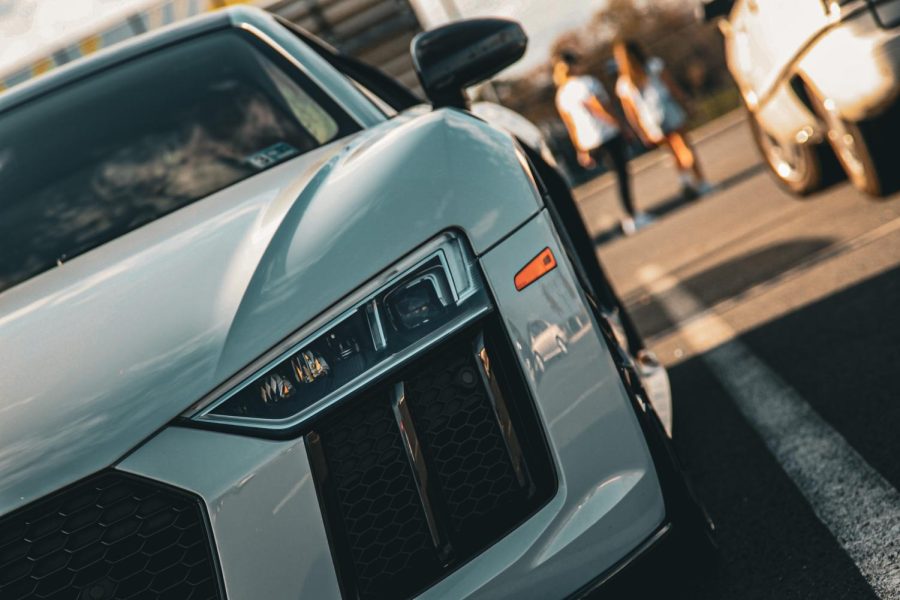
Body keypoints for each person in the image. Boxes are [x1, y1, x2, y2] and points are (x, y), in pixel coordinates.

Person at [554, 50, 653, 236]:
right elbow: (602, 107)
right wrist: (622, 126)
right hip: (606, 135)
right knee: (622, 176)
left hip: (588, 142)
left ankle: (631, 215)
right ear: (574, 65)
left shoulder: (561, 95)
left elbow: (571, 126)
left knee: (618, 176)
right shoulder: (588, 83)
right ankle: (632, 217)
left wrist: (580, 149)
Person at [613, 39, 713, 198]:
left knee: (673, 151)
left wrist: (640, 131)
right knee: (684, 146)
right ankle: (700, 181)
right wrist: (686, 103)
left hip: (650, 120)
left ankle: (684, 180)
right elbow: (671, 87)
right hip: (667, 108)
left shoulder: (623, 83)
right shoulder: (653, 66)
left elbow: (630, 112)